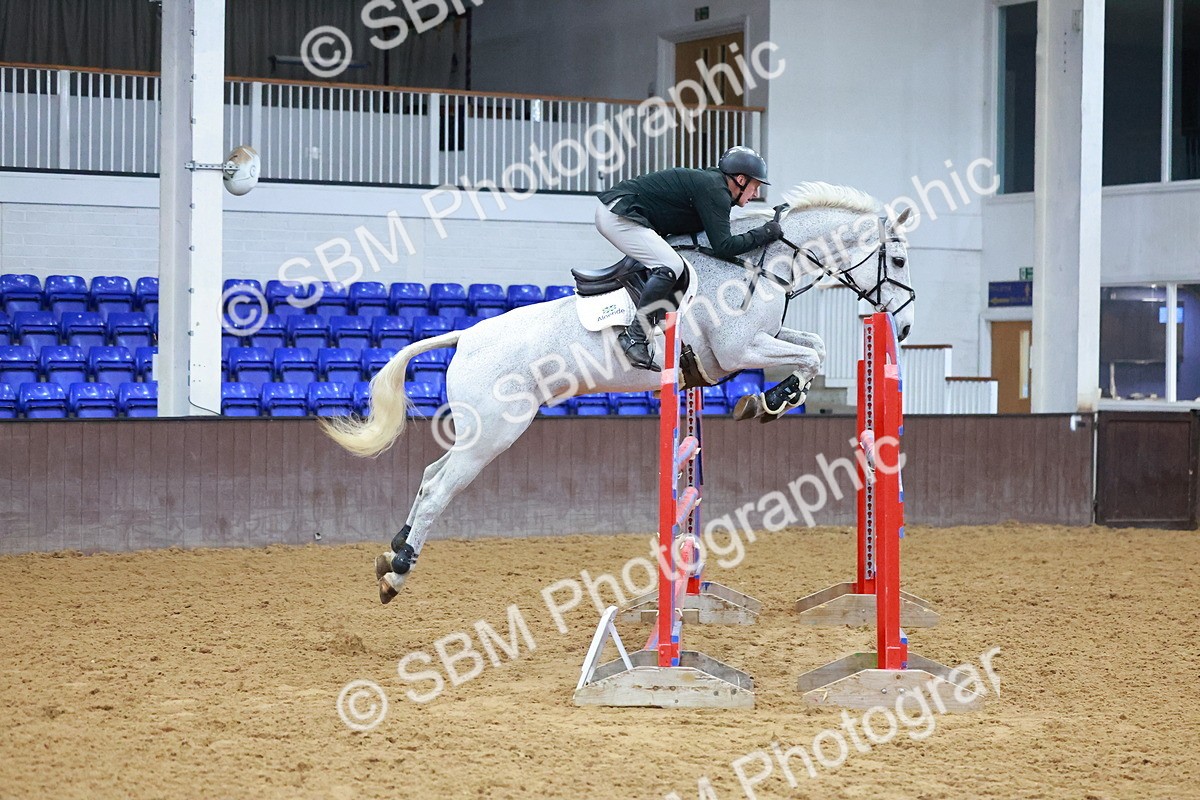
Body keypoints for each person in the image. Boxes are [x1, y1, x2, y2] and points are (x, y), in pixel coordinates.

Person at [594, 145, 784, 370]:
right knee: (670, 265)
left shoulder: (715, 187)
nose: (756, 194)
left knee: (675, 262)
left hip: (623, 213)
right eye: (756, 186)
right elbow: (724, 246)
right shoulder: (716, 191)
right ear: (741, 180)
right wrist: (765, 233)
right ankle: (634, 336)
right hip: (619, 214)